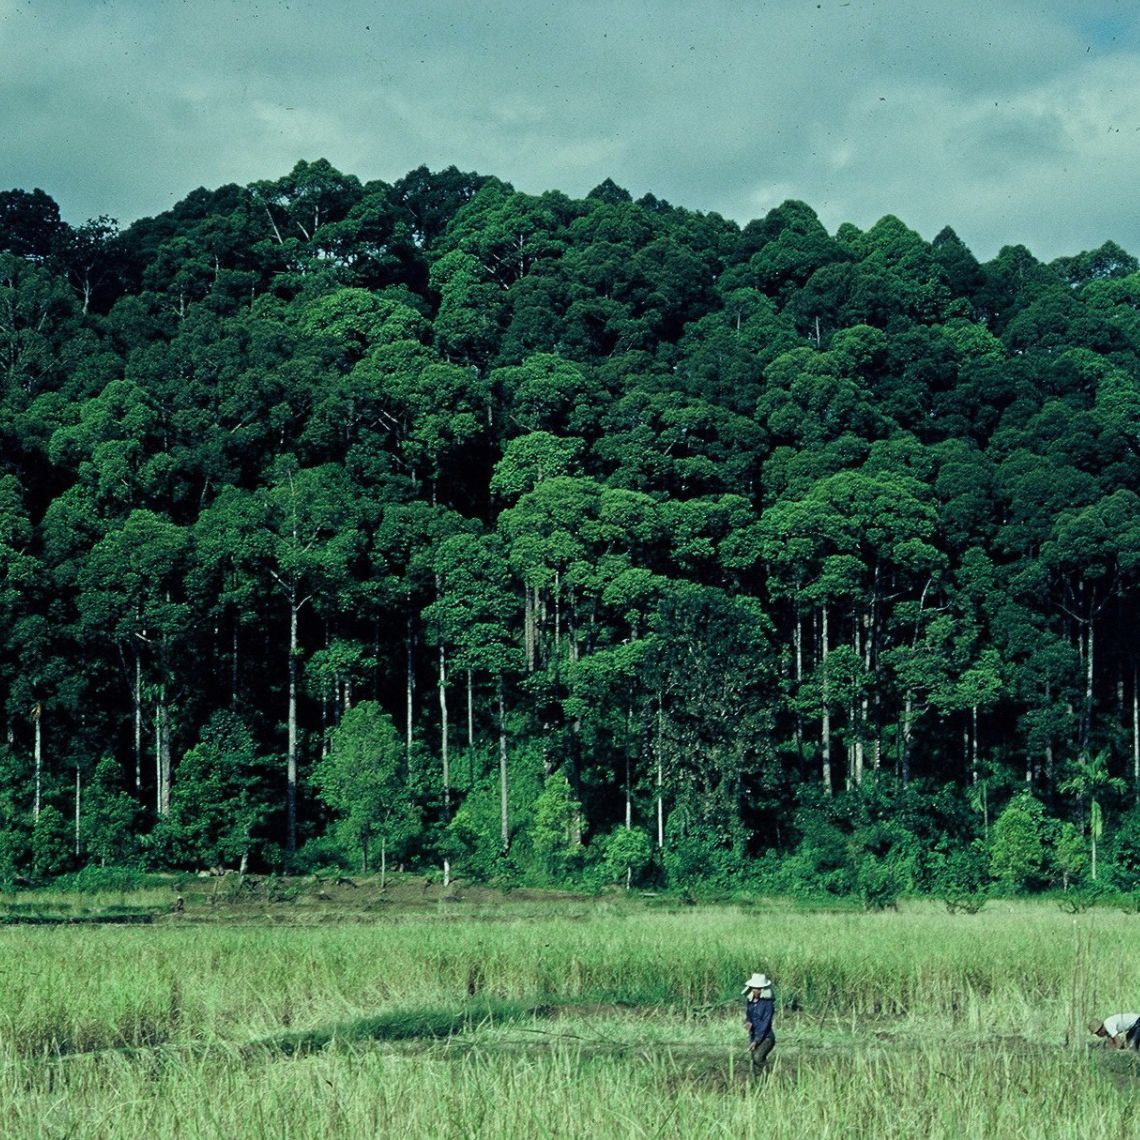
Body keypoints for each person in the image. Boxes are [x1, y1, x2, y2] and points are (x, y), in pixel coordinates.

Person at [742, 971, 776, 1073]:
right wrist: (748, 1022)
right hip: (754, 1035)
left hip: (766, 1037)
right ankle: (759, 1083)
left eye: (756, 988)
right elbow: (749, 1015)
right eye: (753, 988)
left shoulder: (768, 1004)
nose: (754, 990)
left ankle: (770, 1075)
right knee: (754, 1061)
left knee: (758, 1057)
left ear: (762, 989)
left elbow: (764, 1024)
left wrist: (756, 1041)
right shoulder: (751, 1001)